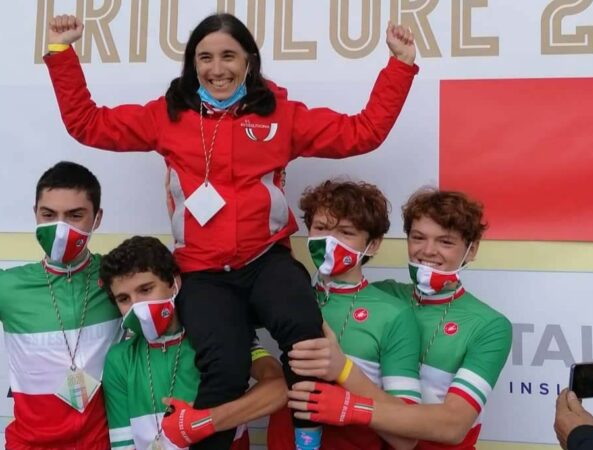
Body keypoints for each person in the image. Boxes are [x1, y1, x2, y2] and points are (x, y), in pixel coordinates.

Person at [44, 12, 418, 450]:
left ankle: (307, 439)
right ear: (192, 63)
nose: (217, 68)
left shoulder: (281, 116)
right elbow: (87, 124)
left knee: (305, 336)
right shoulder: (167, 117)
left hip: (265, 260)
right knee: (224, 367)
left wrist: (400, 65)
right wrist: (61, 52)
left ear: (248, 62)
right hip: (203, 271)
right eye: (205, 57)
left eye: (228, 56)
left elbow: (363, 132)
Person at [288, 188, 512, 449]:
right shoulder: (384, 295)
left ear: (471, 250)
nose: (428, 250)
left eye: (445, 242)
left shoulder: (489, 325)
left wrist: (350, 401)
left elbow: (453, 425)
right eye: (418, 238)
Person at [99, 235, 288, 449]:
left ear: (174, 283)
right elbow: (123, 445)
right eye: (124, 299)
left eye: (145, 289)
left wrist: (204, 422)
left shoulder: (221, 334)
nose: (136, 305)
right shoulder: (119, 359)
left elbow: (279, 386)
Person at [0, 161, 122, 449]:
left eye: (75, 215)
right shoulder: (8, 286)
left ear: (97, 218)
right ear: (35, 214)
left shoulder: (119, 277)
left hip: (100, 444)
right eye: (48, 215)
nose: (60, 228)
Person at [295, 179, 421, 450]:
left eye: (345, 232)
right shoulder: (286, 297)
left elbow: (406, 437)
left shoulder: (393, 313)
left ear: (372, 245)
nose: (329, 241)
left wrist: (344, 371)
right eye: (320, 228)